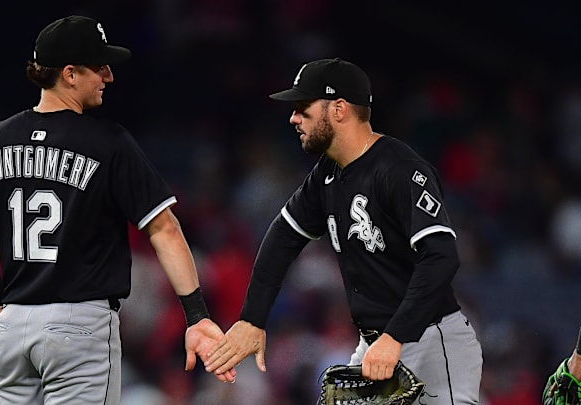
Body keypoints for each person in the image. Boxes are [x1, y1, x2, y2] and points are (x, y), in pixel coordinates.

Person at [0, 15, 235, 405]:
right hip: (79, 327)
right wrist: (198, 314)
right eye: (98, 66)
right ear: (69, 73)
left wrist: (2, 302)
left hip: (14, 331)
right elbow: (164, 229)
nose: (108, 75)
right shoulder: (107, 142)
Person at [204, 58, 483, 403]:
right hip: (377, 344)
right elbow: (283, 237)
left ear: (338, 109)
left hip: (430, 341)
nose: (293, 118)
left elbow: (441, 257)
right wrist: (252, 319)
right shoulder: (328, 174)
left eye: (303, 108)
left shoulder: (399, 168)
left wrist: (395, 337)